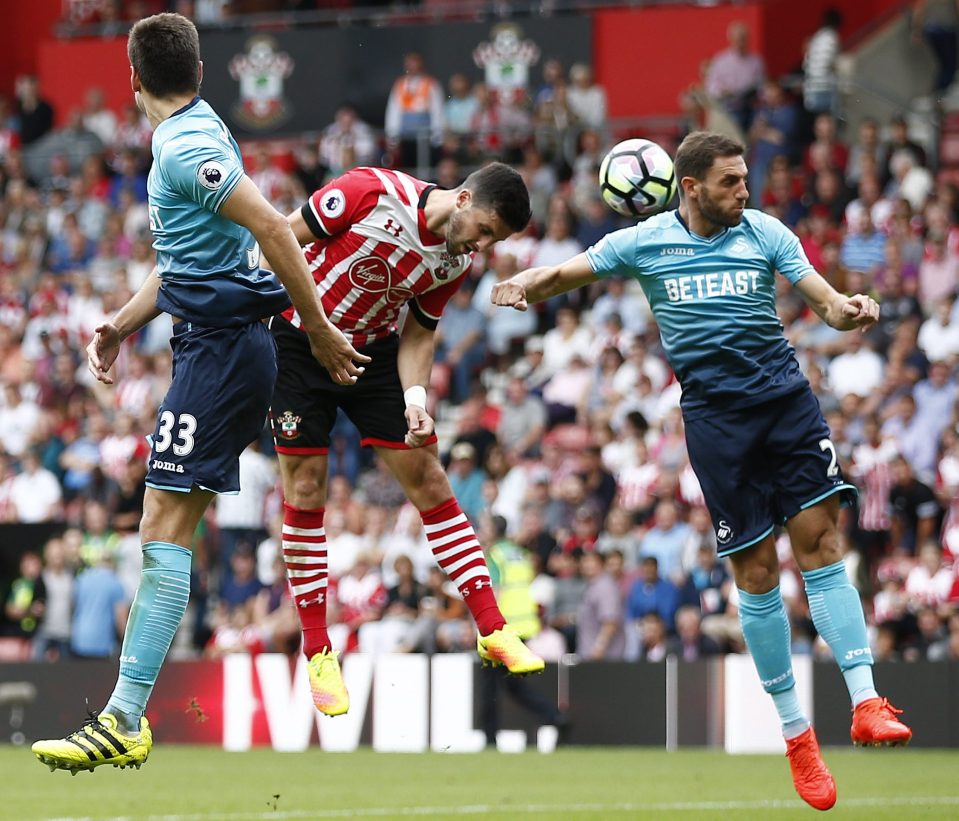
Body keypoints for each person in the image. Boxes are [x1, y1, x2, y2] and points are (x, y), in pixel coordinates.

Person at [491, 131, 912, 812]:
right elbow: (566, 273)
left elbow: (824, 301)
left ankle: (865, 700)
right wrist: (520, 284)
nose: (742, 191)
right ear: (688, 187)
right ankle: (796, 736)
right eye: (728, 182)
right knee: (753, 572)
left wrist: (849, 310)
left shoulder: (765, 232)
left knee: (821, 542)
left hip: (785, 406)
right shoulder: (645, 241)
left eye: (743, 178)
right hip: (716, 425)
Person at [32, 13, 367, 774]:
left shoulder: (184, 148)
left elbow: (276, 233)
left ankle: (124, 716)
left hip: (221, 352)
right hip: (208, 343)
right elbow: (191, 261)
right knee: (164, 523)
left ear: (131, 79)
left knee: (164, 525)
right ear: (201, 75)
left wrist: (314, 327)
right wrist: (120, 322)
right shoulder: (196, 128)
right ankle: (125, 713)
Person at [267, 160, 543, 719]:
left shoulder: (454, 259)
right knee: (305, 487)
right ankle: (318, 647)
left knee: (429, 476)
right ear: (463, 199)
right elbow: (279, 238)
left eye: (496, 240)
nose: (483, 246)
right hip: (297, 342)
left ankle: (491, 625)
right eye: (486, 229)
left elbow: (419, 333)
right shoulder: (369, 193)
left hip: (370, 355)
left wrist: (416, 401)